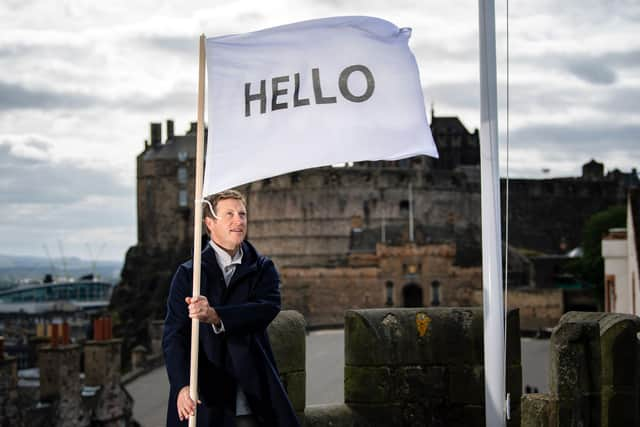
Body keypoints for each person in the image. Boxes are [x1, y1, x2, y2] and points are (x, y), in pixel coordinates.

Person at [162, 190, 299, 427]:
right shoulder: (188, 274)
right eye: (230, 214)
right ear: (210, 224)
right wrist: (182, 386)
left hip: (251, 389)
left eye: (243, 214)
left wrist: (215, 315)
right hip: (206, 392)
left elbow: (266, 308)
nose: (239, 220)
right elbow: (174, 335)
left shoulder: (263, 268)